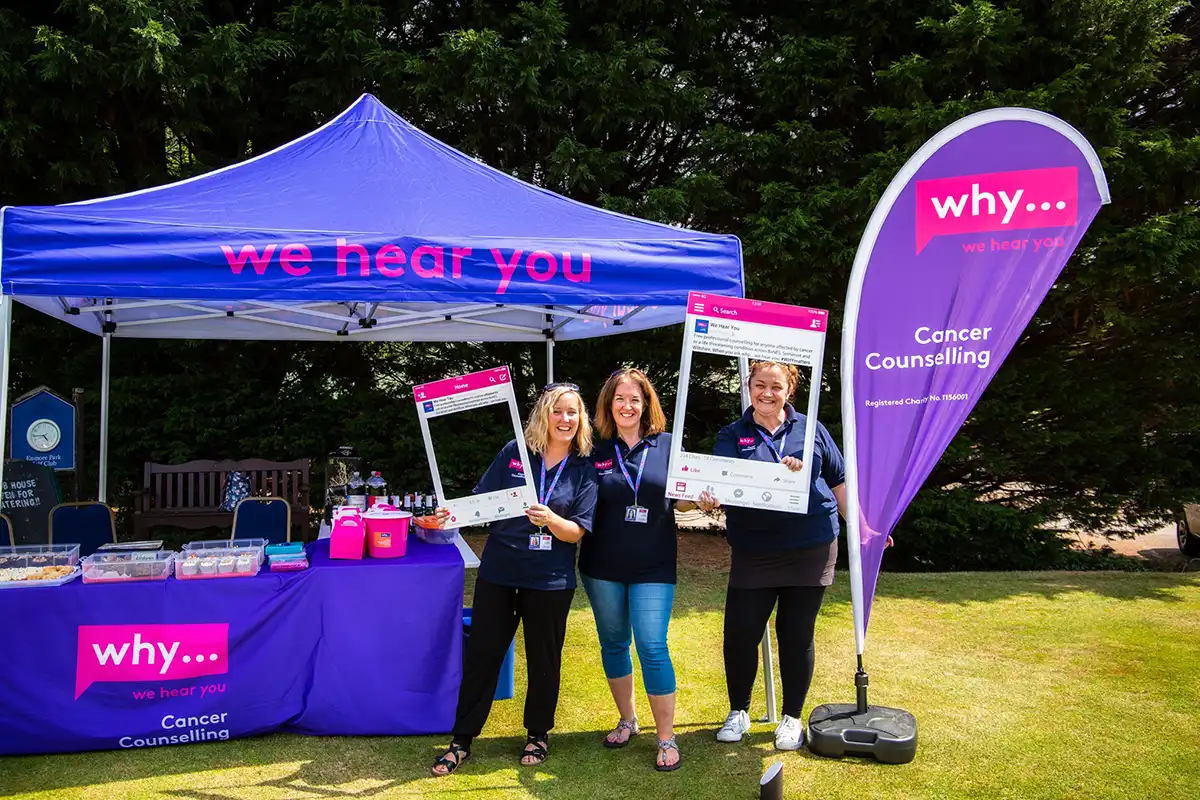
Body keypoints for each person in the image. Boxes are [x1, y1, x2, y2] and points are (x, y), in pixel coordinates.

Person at [430, 382, 599, 776]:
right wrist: (449, 513)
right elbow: (481, 503)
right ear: (544, 414)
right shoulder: (514, 453)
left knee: (544, 660)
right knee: (483, 656)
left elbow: (577, 532)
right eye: (558, 410)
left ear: (581, 419)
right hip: (501, 572)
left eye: (572, 412)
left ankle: (537, 734)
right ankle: (461, 740)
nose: (565, 419)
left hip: (550, 580)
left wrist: (551, 520)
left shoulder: (584, 468)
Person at [697, 360, 848, 752]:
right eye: (759, 384)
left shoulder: (811, 429)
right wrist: (711, 497)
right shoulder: (732, 434)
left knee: (796, 635)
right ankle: (739, 712)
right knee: (740, 634)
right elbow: (722, 480)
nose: (767, 392)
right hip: (755, 550)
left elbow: (839, 481)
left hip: (810, 546)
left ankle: (792, 718)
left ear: (789, 391)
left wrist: (864, 529)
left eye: (776, 386)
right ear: (748, 387)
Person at [579, 368, 698, 772]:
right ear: (608, 405)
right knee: (614, 643)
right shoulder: (592, 450)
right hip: (602, 566)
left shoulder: (668, 445)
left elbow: (681, 500)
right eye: (619, 399)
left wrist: (700, 499)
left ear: (646, 403)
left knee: (651, 645)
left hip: (653, 564)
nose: (627, 406)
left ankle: (666, 737)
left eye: (635, 399)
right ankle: (627, 719)